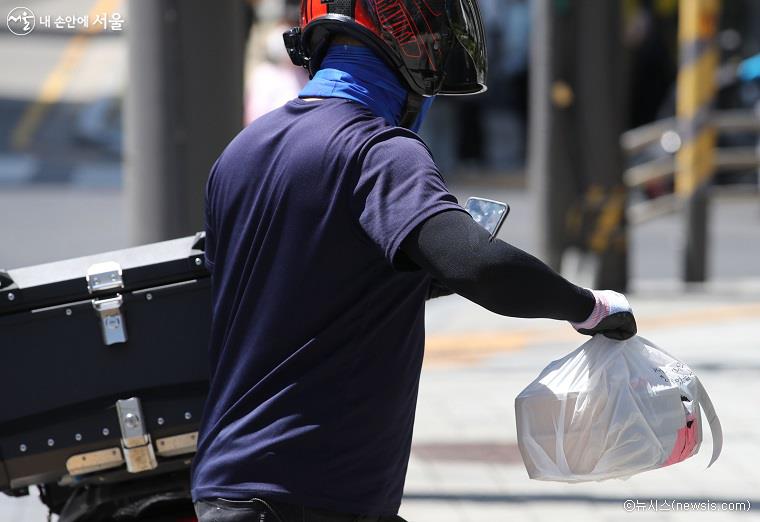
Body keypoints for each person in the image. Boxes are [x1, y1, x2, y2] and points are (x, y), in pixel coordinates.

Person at [191, 2, 637, 521]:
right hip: (310, 491)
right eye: (429, 37)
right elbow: (477, 264)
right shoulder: (378, 152)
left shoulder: (243, 151)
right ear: (400, 42)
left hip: (237, 484)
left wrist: (422, 276)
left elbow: (313, 282)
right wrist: (588, 307)